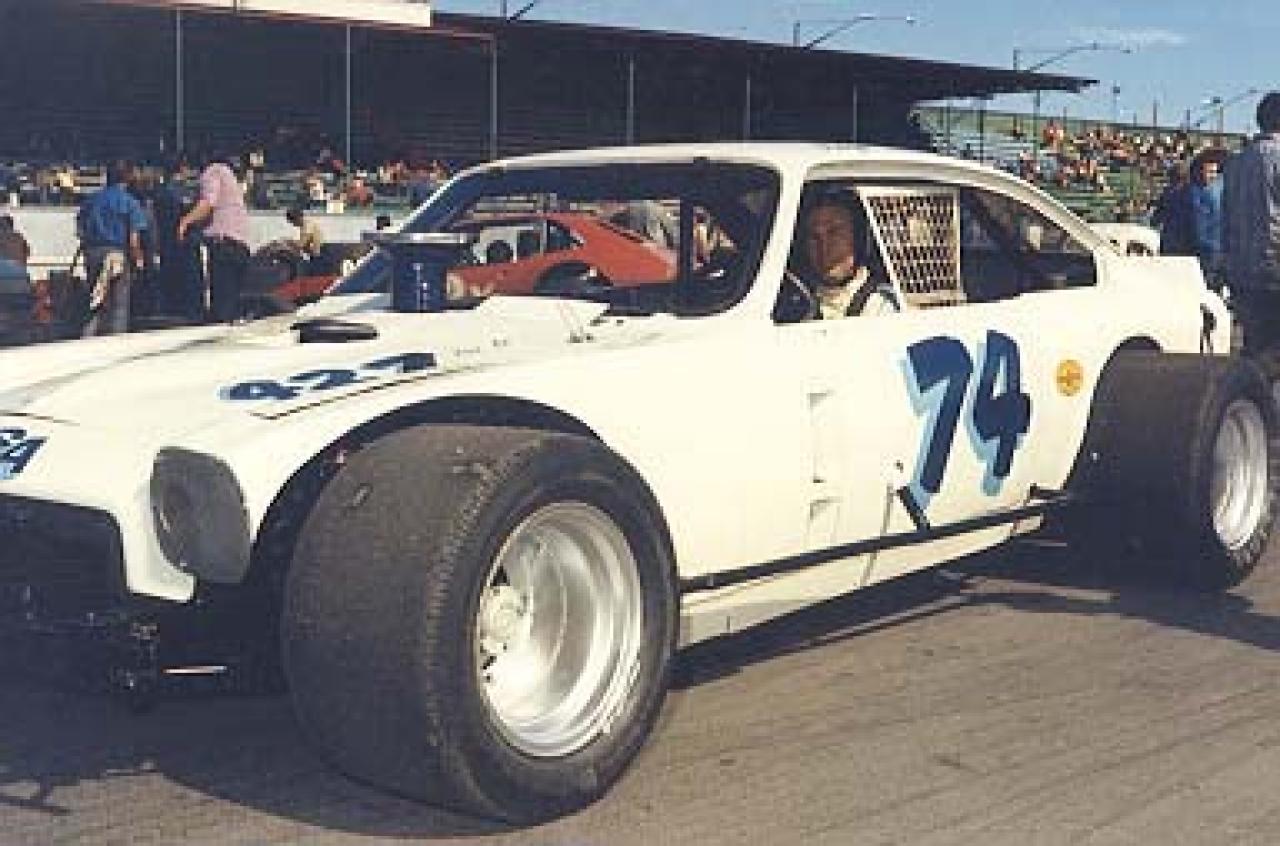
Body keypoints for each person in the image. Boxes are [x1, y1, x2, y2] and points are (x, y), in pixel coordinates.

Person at [1223, 92, 1280, 353]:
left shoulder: (1236, 162)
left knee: (1255, 349)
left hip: (1242, 269)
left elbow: (1226, 215)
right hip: (1273, 268)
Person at [76, 159, 148, 336]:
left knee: (95, 297)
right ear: (128, 177)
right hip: (116, 254)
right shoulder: (129, 202)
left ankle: (88, 335)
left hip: (92, 252)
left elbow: (80, 228)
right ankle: (117, 338)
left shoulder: (91, 200)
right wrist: (139, 261)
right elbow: (134, 239)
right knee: (119, 303)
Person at [797, 195, 898, 320]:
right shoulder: (796, 302)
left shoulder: (882, 306)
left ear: (858, 238)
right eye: (814, 237)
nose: (824, 247)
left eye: (834, 232)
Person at [179, 153, 250, 323]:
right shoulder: (229, 176)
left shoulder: (212, 172)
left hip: (223, 243)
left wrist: (185, 221)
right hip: (240, 243)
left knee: (222, 305)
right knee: (233, 303)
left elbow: (208, 203)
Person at [285, 205, 325, 271]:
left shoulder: (307, 226)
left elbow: (301, 244)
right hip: (313, 254)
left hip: (318, 257)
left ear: (298, 218)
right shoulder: (305, 224)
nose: (294, 225)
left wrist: (289, 242)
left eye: (293, 222)